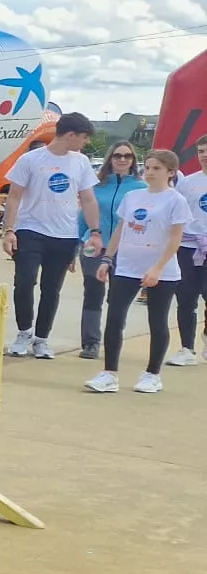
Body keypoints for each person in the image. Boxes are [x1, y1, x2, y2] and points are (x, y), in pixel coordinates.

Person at [88, 150, 189, 394]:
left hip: (161, 270)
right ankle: (109, 373)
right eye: (149, 168)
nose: (150, 172)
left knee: (157, 320)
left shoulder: (176, 200)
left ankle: (152, 374)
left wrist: (157, 268)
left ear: (171, 172)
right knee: (114, 318)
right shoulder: (133, 197)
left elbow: (176, 239)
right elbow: (121, 230)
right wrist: (107, 259)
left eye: (157, 169)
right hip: (127, 267)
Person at [3, 113, 103, 358]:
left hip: (64, 234)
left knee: (52, 288)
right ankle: (24, 331)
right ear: (70, 135)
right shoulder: (31, 160)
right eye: (83, 137)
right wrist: (8, 231)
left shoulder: (80, 163)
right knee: (25, 281)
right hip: (31, 230)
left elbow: (88, 199)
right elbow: (14, 197)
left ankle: (41, 338)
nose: (85, 143)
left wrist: (95, 232)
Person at [78, 144, 146, 359]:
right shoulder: (96, 186)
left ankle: (112, 340)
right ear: (110, 159)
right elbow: (83, 217)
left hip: (125, 249)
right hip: (94, 246)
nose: (122, 159)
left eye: (127, 156)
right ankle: (90, 343)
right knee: (93, 294)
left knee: (118, 299)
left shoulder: (140, 188)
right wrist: (73, 247)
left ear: (134, 160)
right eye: (117, 155)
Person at [168, 145, 207, 367]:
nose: (205, 155)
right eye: (201, 151)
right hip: (188, 247)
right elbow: (176, 214)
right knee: (186, 298)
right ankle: (187, 348)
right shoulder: (187, 183)